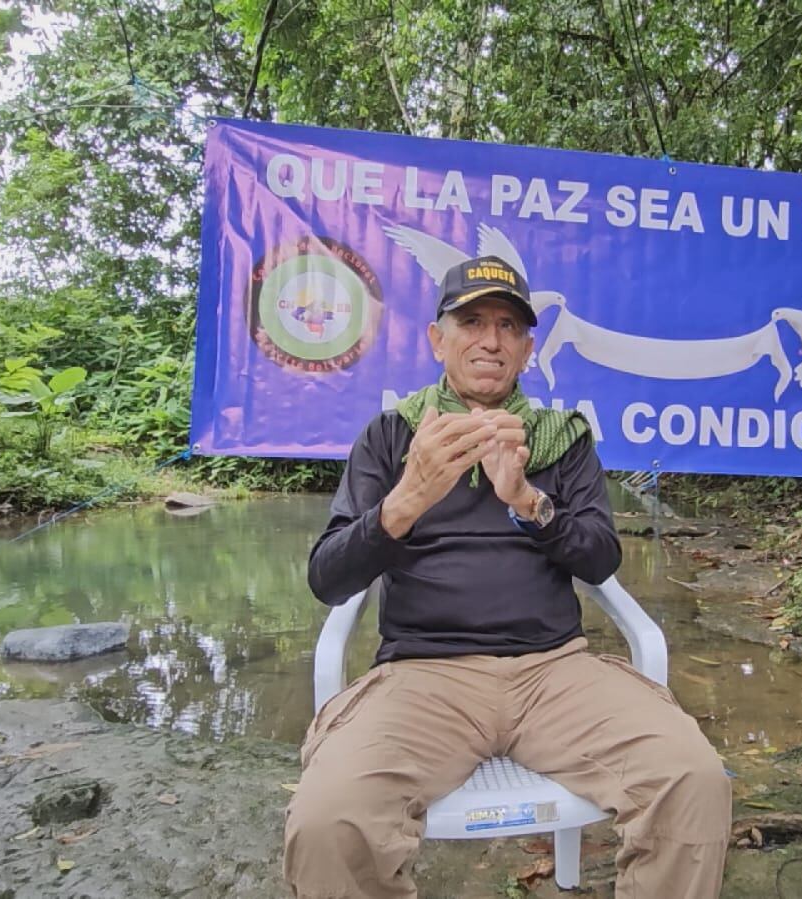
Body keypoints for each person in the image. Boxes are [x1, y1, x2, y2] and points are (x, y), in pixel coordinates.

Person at [283, 254, 731, 898]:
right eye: (471, 322)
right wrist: (408, 498)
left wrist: (528, 501)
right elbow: (328, 579)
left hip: (555, 671)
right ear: (438, 339)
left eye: (508, 326)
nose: (490, 340)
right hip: (423, 677)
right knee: (329, 819)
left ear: (527, 349)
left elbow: (602, 559)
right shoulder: (390, 437)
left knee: (692, 780)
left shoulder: (561, 439)